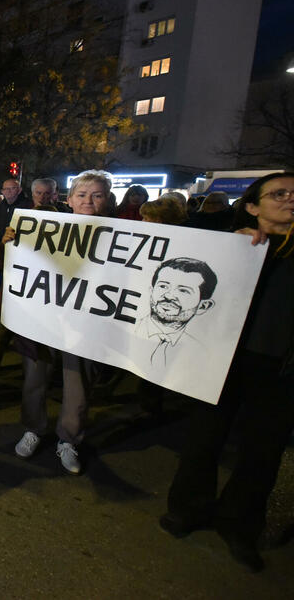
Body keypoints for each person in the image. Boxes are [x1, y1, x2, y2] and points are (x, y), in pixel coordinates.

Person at [160, 172, 294, 572]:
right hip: (224, 358)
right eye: (280, 194)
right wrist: (235, 247)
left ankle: (239, 524)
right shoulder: (232, 245)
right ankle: (188, 509)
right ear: (253, 206)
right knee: (205, 437)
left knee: (263, 452)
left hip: (281, 367)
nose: (290, 200)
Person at [3, 169, 110, 475]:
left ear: (107, 199)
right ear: (70, 199)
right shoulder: (45, 226)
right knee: (34, 380)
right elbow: (5, 261)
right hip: (43, 324)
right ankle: (34, 429)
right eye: (82, 194)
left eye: (97, 195)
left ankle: (68, 439)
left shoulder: (122, 234)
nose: (88, 201)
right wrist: (11, 242)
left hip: (85, 327)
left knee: (77, 387)